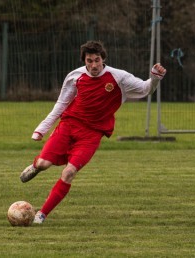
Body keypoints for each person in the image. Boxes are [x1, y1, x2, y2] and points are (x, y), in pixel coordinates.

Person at [20, 40, 166, 224]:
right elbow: (61, 104)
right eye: (89, 61)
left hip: (91, 134)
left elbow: (146, 89)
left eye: (97, 60)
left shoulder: (118, 77)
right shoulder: (75, 76)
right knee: (43, 164)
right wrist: (41, 129)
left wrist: (154, 78)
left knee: (69, 173)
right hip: (69, 125)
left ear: (103, 59)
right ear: (84, 61)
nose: (94, 65)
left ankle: (41, 214)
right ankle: (35, 166)